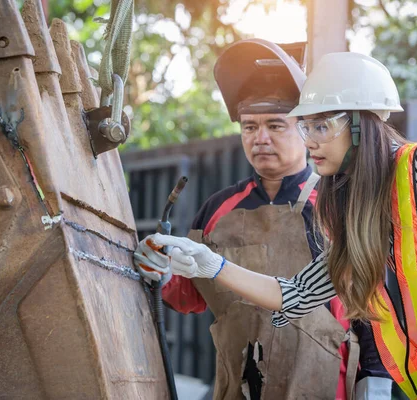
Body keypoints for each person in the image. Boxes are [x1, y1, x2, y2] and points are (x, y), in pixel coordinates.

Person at [135, 52, 417, 400]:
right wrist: (213, 266)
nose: (310, 141)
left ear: (359, 125)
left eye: (321, 127)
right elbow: (297, 294)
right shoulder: (347, 203)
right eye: (306, 127)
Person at [136, 39, 354, 400]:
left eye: (275, 125)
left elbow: (374, 306)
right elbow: (188, 296)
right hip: (236, 385)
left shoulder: (337, 204)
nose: (261, 139)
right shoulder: (218, 209)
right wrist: (159, 269)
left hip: (325, 385)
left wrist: (373, 382)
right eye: (249, 127)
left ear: (304, 128)